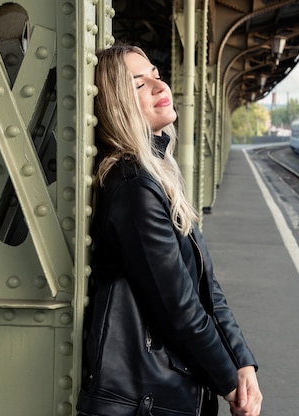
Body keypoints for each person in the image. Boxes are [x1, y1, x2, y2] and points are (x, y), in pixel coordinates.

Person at [76, 42, 262, 416]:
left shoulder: (156, 176)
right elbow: (178, 308)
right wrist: (228, 383)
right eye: (139, 85)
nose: (161, 88)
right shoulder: (134, 188)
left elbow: (207, 287)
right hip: (150, 397)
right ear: (117, 104)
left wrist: (242, 362)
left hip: (168, 388)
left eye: (156, 77)